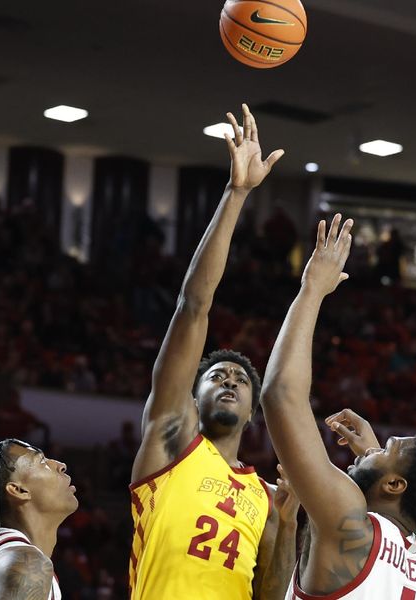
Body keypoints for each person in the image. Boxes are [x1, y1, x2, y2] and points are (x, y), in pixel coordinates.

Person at [129, 104, 299, 600]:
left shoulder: (266, 497)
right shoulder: (171, 439)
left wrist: (287, 526)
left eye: (242, 381)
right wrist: (237, 193)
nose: (230, 381)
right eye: (217, 376)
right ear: (191, 397)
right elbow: (193, 307)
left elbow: (270, 594)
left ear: (252, 416)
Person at [260, 214, 416, 599]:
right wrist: (376, 457)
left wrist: (312, 289)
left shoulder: (351, 524)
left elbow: (280, 394)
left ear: (393, 485)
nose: (372, 448)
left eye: (386, 449)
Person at [0, 439, 78, 599]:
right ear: (19, 490)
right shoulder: (26, 566)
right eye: (42, 461)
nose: (61, 465)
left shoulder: (5, 554)